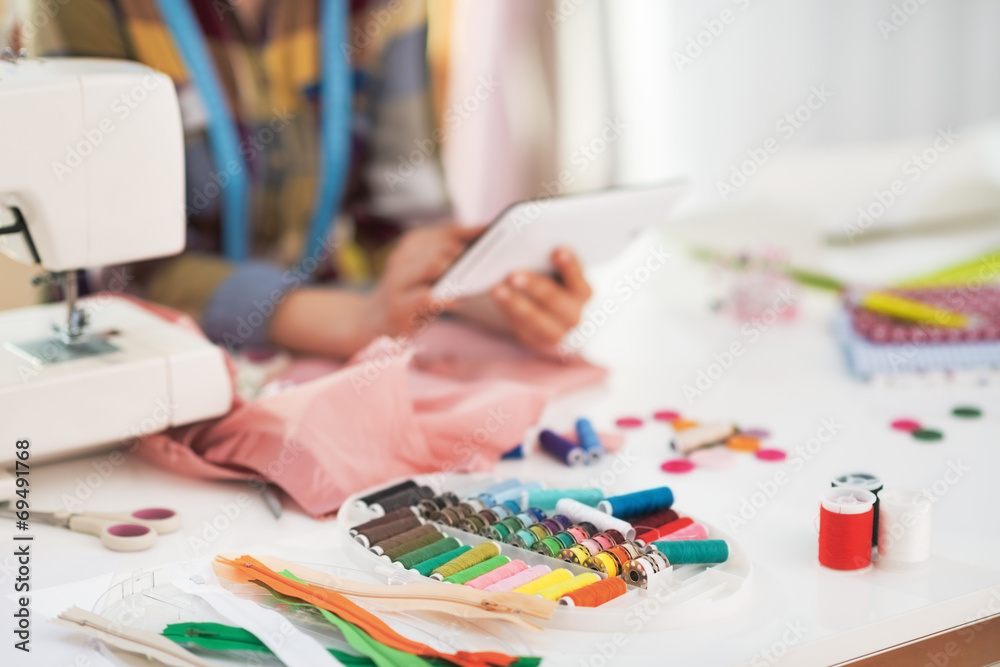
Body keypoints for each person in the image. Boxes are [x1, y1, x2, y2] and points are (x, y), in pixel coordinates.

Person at [29, 0, 590, 357]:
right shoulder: (82, 8)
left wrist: (499, 296)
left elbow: (402, 216)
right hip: (163, 348)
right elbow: (112, 262)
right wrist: (343, 320)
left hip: (332, 341)